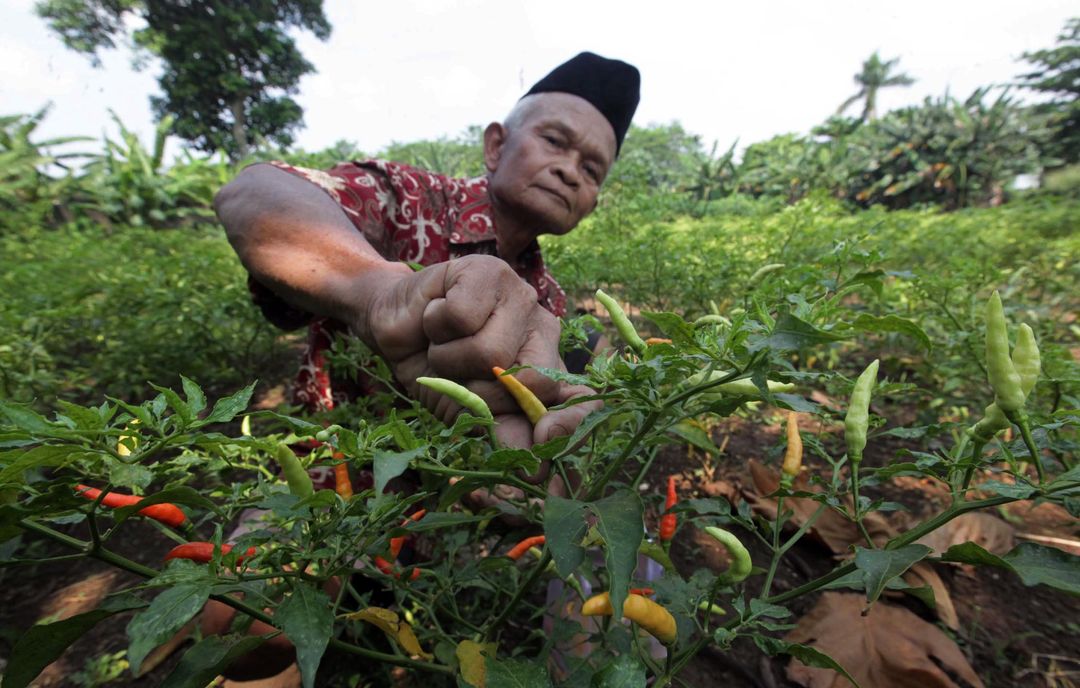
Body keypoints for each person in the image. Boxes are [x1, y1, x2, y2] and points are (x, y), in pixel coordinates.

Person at [216, 52, 639, 451]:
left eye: (590, 170)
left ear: (592, 203)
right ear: (495, 145)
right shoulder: (409, 198)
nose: (568, 171)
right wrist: (378, 294)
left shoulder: (546, 297)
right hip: (328, 486)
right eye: (553, 140)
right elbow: (254, 192)